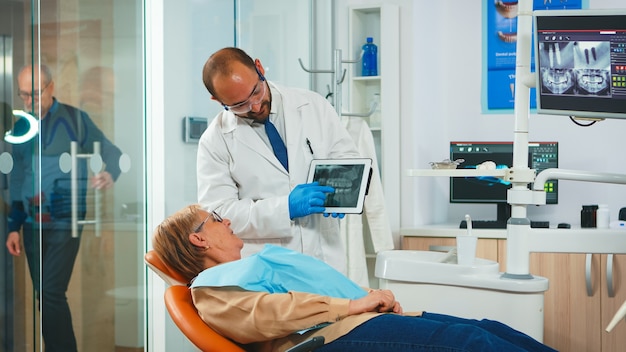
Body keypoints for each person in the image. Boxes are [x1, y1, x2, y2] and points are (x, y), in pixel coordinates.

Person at [152, 204, 557, 352]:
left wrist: (371, 297)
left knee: (489, 330)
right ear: (199, 238)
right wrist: (356, 305)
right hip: (326, 339)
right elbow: (272, 313)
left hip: (356, 321)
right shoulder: (210, 291)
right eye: (217, 218)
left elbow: (319, 290)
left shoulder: (243, 268)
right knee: (474, 344)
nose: (228, 221)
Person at [197, 47, 361, 274]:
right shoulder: (214, 141)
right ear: (217, 100)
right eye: (238, 105)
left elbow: (347, 158)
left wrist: (343, 193)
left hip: (325, 257)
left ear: (260, 68)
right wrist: (285, 208)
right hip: (268, 268)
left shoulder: (312, 105)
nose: (254, 106)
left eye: (256, 92)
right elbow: (221, 213)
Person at [5, 64, 123, 352]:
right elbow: (19, 178)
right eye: (23, 95)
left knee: (50, 292)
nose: (29, 101)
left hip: (65, 220)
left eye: (34, 93)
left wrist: (109, 173)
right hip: (32, 223)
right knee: (43, 296)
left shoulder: (74, 119)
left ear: (51, 87)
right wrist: (13, 227)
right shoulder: (21, 127)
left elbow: (113, 154)